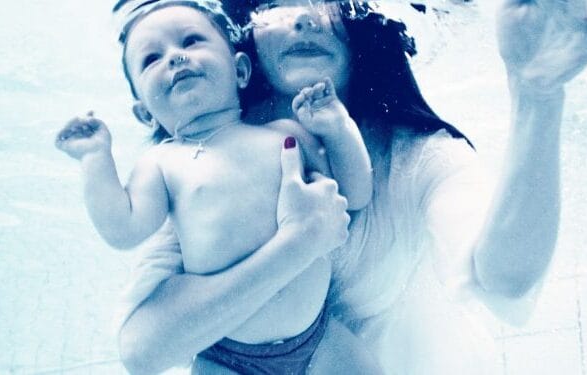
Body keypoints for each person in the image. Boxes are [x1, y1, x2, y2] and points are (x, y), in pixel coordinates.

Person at [114, 0, 587, 373]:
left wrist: (537, 95)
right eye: (272, 5)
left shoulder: (418, 157)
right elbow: (145, 347)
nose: (304, 17)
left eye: (328, 1)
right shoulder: (203, 164)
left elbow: (504, 278)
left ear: (366, 22)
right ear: (243, 42)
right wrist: (295, 246)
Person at [57, 1, 378, 373]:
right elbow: (123, 230)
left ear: (240, 70)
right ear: (144, 112)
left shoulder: (284, 135)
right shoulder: (161, 164)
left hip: (318, 337)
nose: (175, 58)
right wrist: (95, 159)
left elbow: (355, 196)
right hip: (228, 356)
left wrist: (338, 128)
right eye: (151, 59)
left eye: (191, 41)